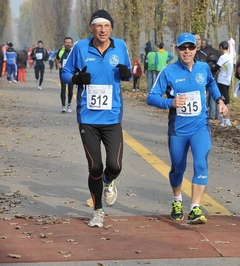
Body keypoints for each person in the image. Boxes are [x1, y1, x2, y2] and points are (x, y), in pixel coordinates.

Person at [146, 32, 227, 224]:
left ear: (196, 49)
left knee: (201, 164)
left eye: (191, 47)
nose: (187, 51)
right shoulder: (168, 72)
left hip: (200, 126)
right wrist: (170, 103)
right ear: (177, 50)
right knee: (177, 169)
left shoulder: (203, 68)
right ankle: (177, 200)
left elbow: (211, 83)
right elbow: (151, 97)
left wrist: (220, 100)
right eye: (183, 48)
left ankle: (195, 209)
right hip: (178, 130)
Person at [61, 9, 132, 228]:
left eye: (106, 26)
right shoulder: (81, 47)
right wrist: (75, 78)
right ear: (91, 28)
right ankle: (98, 211)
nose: (103, 30)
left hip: (112, 117)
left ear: (111, 28)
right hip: (88, 118)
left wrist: (126, 74)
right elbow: (65, 73)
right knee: (95, 166)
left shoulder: (120, 46)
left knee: (115, 165)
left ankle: (108, 182)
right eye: (98, 26)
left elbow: (128, 71)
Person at [215, 41, 234, 127]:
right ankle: (225, 119)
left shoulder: (222, 57)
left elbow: (216, 67)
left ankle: (226, 119)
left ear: (221, 48)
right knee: (226, 99)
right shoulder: (230, 56)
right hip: (227, 80)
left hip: (221, 80)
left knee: (222, 99)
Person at [56, 37, 74, 113]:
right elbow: (57, 58)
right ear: (64, 43)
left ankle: (69, 104)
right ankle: (63, 106)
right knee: (63, 89)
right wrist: (58, 64)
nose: (68, 44)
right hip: (63, 73)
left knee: (70, 90)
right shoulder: (61, 51)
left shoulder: (74, 51)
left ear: (72, 43)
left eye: (69, 42)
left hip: (71, 73)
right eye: (66, 42)